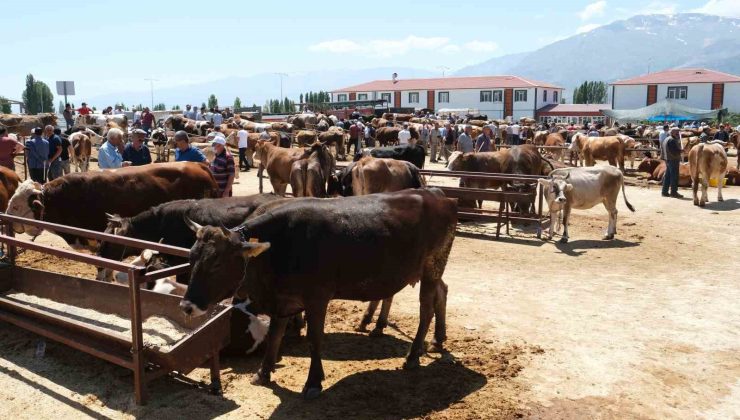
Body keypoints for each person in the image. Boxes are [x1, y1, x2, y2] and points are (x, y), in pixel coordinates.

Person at [662, 128, 683, 198]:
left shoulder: (666, 139)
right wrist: (681, 151)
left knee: (667, 176)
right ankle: (674, 192)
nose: (678, 133)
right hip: (673, 160)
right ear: (672, 132)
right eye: (677, 132)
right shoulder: (672, 140)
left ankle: (664, 192)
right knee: (674, 176)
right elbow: (674, 151)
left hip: (667, 159)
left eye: (678, 132)